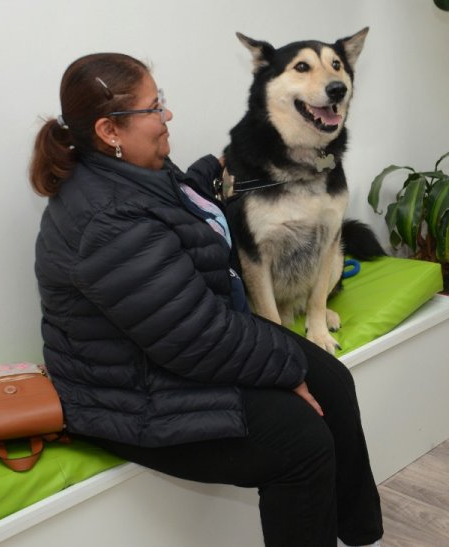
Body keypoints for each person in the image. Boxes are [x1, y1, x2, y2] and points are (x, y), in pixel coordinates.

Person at [29, 52, 383, 547]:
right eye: (154, 108)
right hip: (126, 396)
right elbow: (197, 338)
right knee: (302, 441)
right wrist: (288, 372)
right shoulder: (105, 223)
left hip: (173, 351)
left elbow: (168, 222)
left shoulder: (132, 170)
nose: (166, 116)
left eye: (162, 102)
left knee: (334, 381)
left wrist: (204, 176)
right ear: (110, 131)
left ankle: (361, 535)